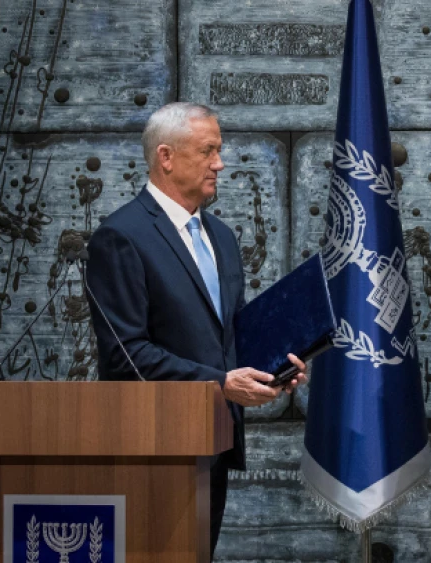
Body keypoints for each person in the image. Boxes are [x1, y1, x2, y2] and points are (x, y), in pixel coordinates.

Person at [85, 102, 308, 554]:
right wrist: (221, 383)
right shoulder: (121, 236)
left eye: (219, 150)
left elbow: (230, 334)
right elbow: (126, 355)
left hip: (213, 439)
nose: (219, 163)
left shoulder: (220, 236)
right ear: (166, 157)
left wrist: (272, 369)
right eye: (208, 151)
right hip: (152, 445)